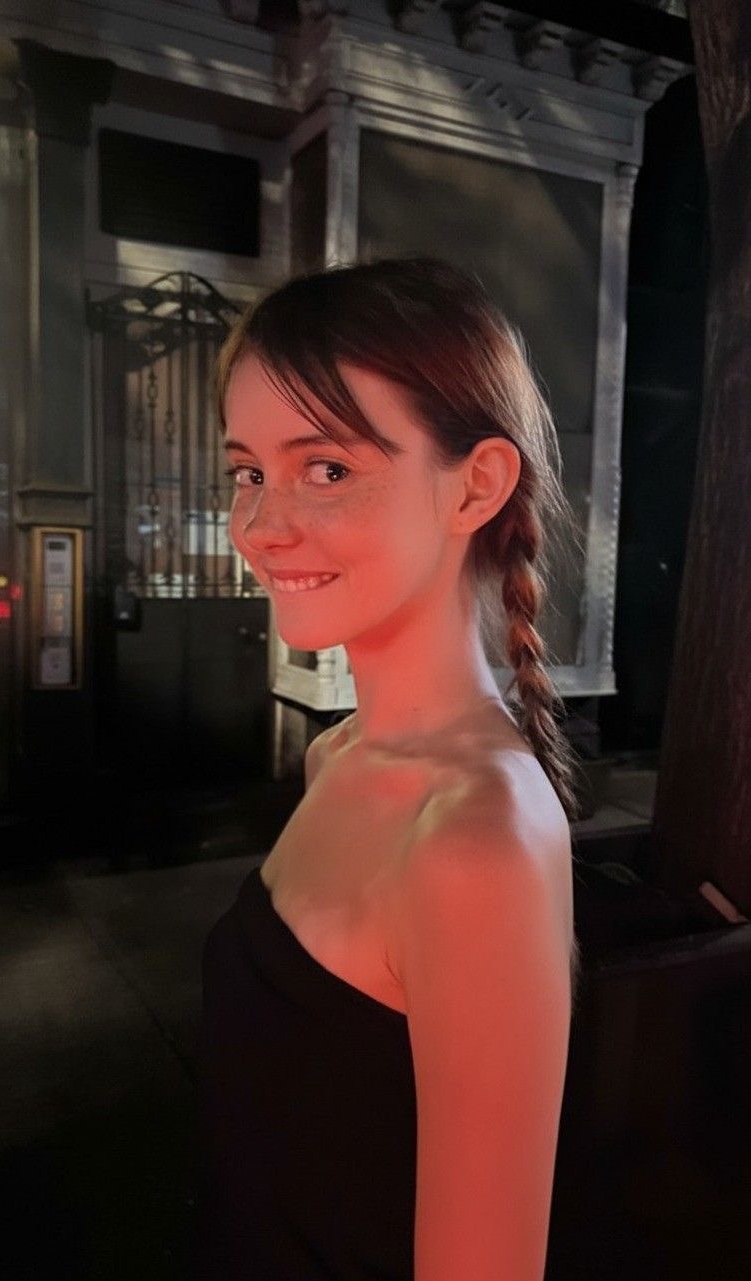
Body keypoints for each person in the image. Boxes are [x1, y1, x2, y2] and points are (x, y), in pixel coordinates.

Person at [195, 256, 583, 1281]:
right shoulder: (339, 753)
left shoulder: (475, 844)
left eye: (326, 468)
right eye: (248, 472)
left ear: (477, 484)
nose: (262, 527)